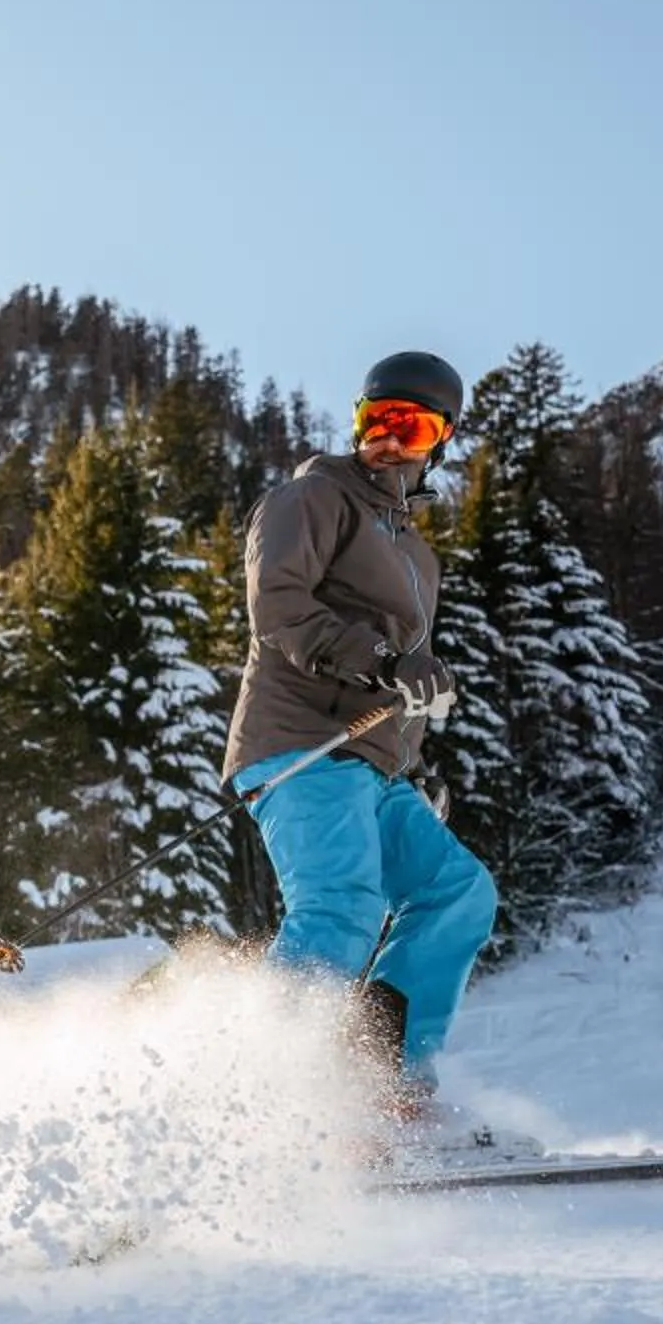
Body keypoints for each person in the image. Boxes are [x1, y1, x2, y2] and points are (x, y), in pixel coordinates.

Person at [221, 350, 497, 1123]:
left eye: (413, 427)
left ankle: (385, 1093)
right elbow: (278, 607)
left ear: (441, 441)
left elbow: (401, 673)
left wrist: (409, 745)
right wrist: (384, 661)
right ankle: (265, 1105)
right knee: (341, 906)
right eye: (378, 421)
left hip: (373, 767)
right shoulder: (313, 497)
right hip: (300, 745)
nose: (390, 440)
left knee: (457, 893)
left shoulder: (416, 554)